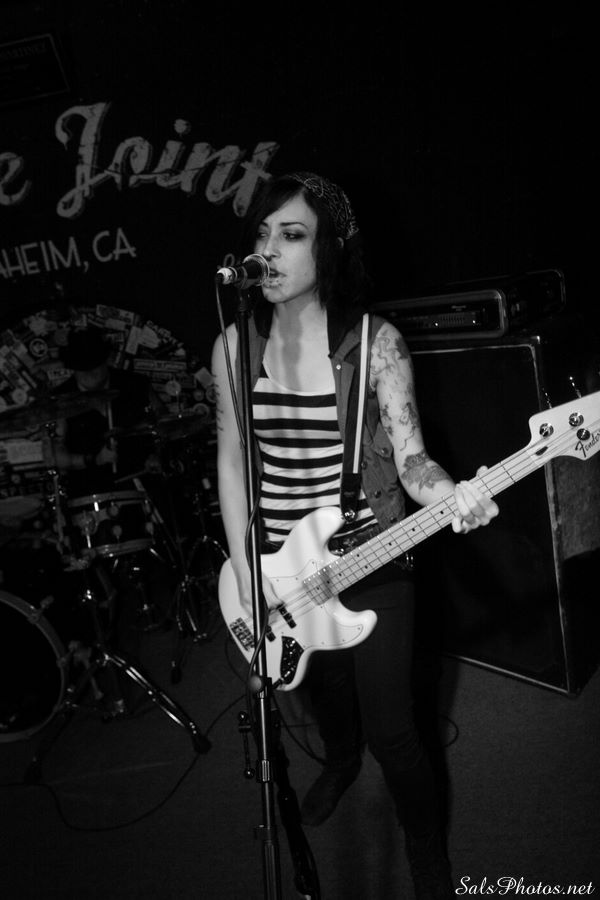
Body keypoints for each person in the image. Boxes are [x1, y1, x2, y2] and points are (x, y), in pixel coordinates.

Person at [211, 171, 499, 898]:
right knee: (325, 698)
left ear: (330, 249)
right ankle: (340, 761)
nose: (268, 251)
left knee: (395, 733)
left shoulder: (377, 343)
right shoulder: (232, 347)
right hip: (277, 568)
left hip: (372, 556)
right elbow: (233, 462)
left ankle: (425, 847)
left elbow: (412, 458)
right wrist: (247, 571)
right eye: (262, 233)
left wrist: (453, 496)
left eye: (292, 235)